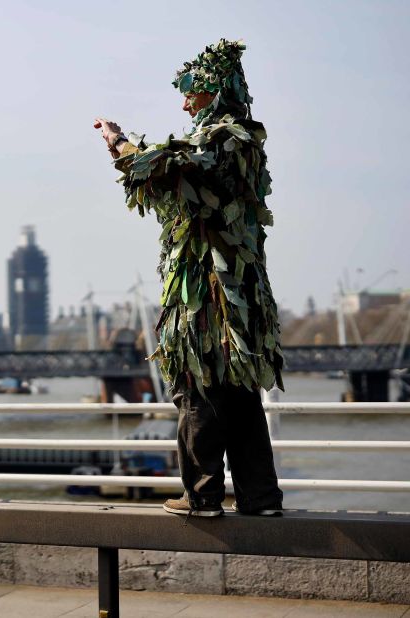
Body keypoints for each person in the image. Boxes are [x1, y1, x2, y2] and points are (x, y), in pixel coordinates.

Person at [94, 39, 284, 517]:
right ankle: (260, 499)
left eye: (188, 90)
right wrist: (124, 154)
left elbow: (163, 165)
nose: (182, 101)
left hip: (210, 289)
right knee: (238, 389)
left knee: (198, 382)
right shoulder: (239, 142)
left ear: (214, 89)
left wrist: (119, 143)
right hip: (237, 290)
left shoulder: (224, 138)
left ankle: (201, 497)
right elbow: (171, 189)